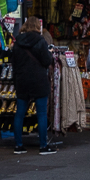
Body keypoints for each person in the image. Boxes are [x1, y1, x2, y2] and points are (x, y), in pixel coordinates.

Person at [10, 18, 56, 156]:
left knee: (20, 113)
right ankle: (43, 146)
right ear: (37, 27)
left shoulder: (17, 43)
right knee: (41, 113)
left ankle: (18, 145)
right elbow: (47, 60)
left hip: (22, 80)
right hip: (38, 80)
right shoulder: (40, 41)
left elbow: (14, 63)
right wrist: (51, 54)